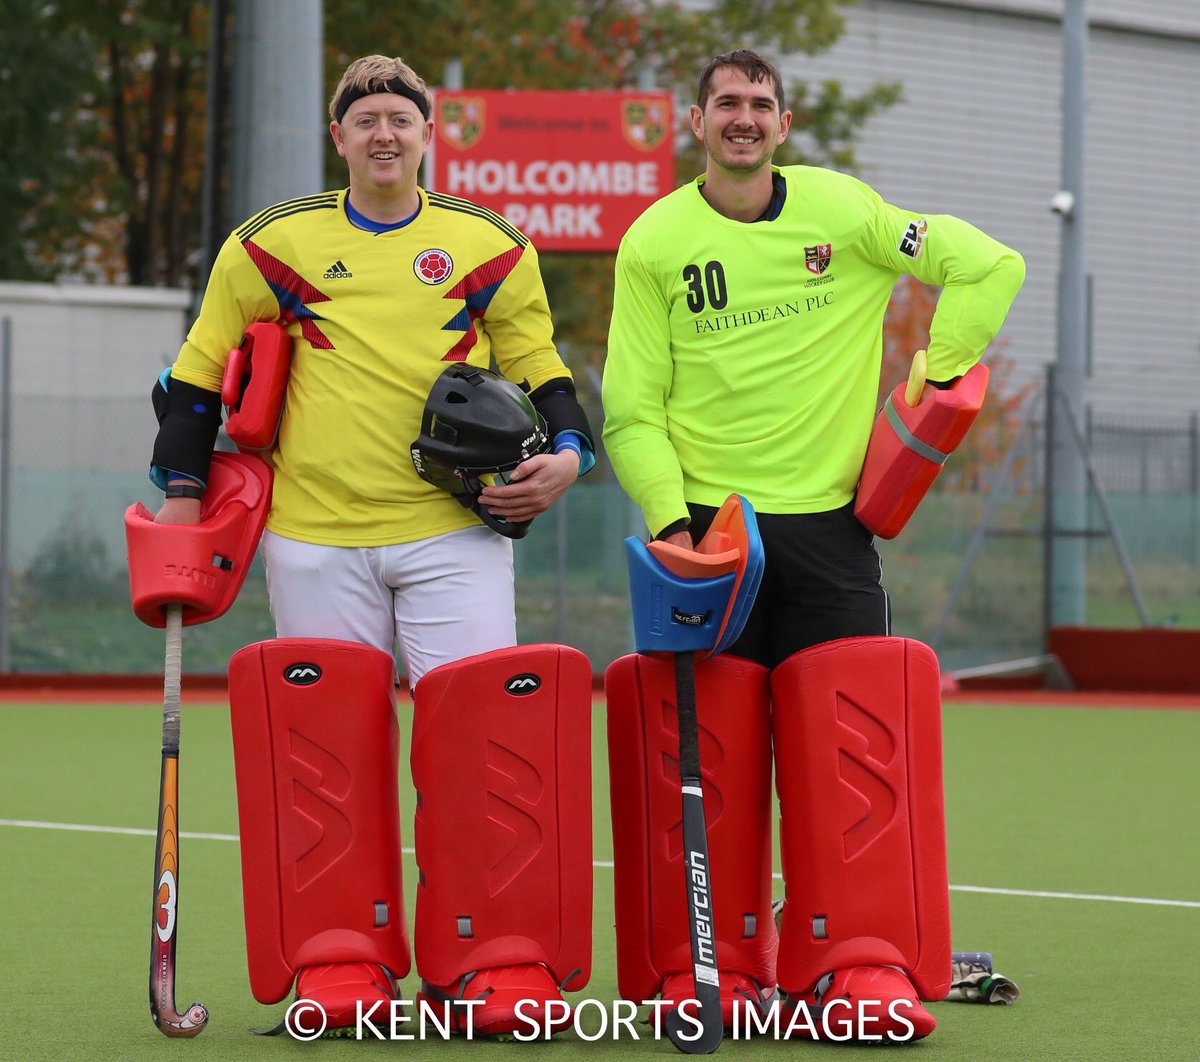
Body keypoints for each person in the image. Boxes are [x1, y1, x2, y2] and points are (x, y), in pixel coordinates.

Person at [147, 55, 594, 1035]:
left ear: (429, 134)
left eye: (401, 118)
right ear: (338, 136)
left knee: (483, 752)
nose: (384, 134)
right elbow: (193, 377)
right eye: (366, 121)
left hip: (456, 541)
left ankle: (485, 963)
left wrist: (570, 453)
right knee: (328, 762)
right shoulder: (272, 245)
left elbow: (540, 366)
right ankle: (341, 964)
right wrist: (181, 497)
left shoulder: (489, 244)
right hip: (314, 542)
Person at [601, 49, 1024, 1041]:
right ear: (695, 122)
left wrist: (939, 368)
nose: (743, 120)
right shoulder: (655, 239)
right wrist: (671, 522)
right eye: (726, 106)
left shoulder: (845, 211)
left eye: (760, 105)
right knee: (708, 761)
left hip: (834, 535)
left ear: (784, 124)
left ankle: (848, 969)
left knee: (847, 758)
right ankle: (717, 972)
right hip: (711, 536)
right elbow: (629, 406)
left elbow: (987, 262)